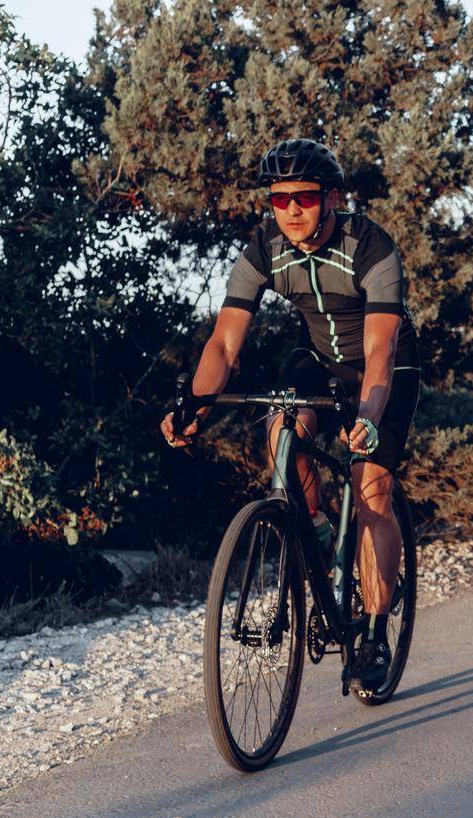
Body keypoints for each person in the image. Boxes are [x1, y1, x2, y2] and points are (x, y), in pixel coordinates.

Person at [161, 138, 421, 687]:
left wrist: (369, 418)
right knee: (282, 428)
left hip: (384, 369)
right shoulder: (263, 250)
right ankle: (319, 526)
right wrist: (195, 407)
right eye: (279, 201)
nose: (292, 211)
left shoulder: (371, 247)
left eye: (304, 197)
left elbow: (380, 351)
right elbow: (225, 345)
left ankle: (373, 633)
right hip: (319, 359)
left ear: (331, 197)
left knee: (370, 488)